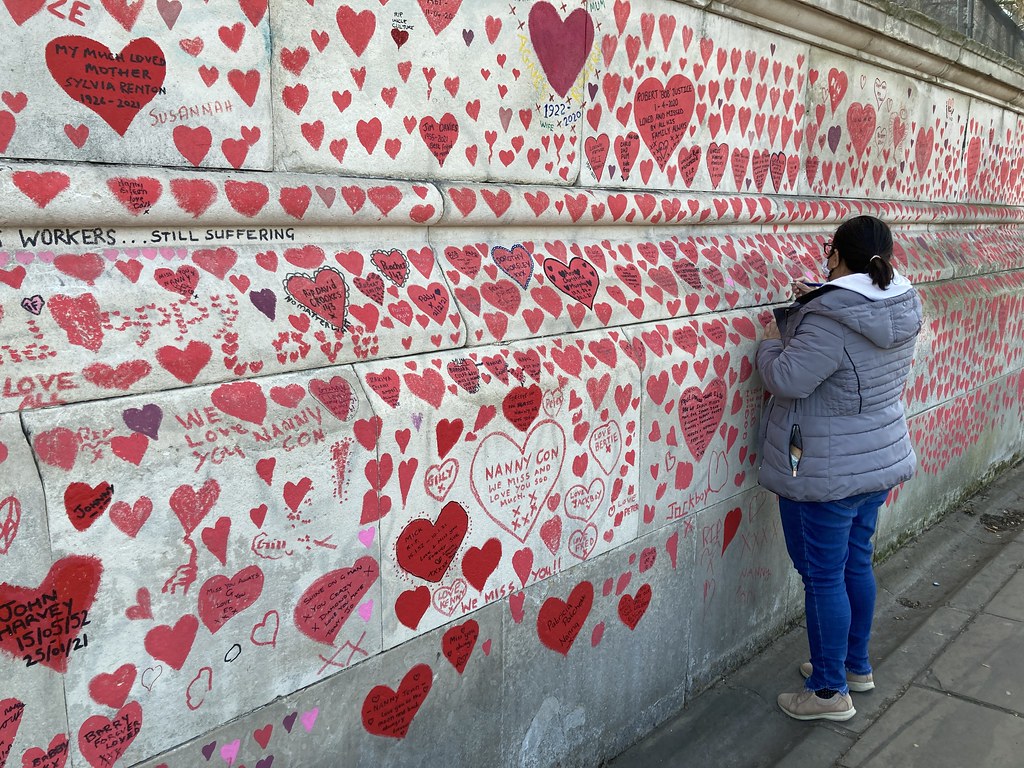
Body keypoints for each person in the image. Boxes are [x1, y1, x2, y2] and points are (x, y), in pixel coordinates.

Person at [756, 215, 922, 721]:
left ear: (835, 255)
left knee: (823, 577)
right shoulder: (902, 301)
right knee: (854, 564)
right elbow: (850, 341)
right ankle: (854, 666)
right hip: (877, 459)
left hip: (827, 470)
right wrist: (814, 303)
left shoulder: (831, 316)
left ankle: (829, 693)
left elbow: (788, 378)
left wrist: (771, 343)